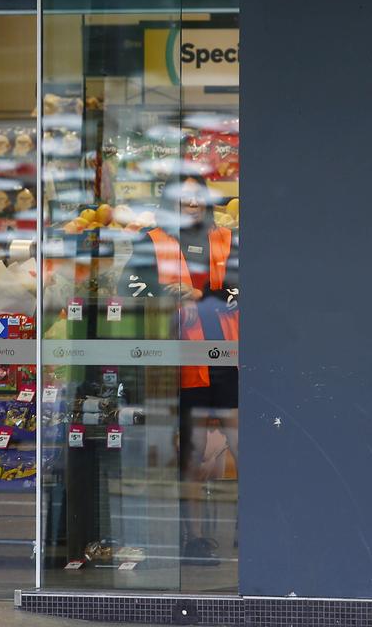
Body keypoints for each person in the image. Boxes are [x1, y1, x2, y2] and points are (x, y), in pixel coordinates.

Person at [118, 173, 239, 565]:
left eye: (197, 196)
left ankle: (251, 527)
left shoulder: (227, 238)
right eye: (184, 197)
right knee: (193, 449)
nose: (192, 203)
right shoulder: (151, 240)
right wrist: (164, 293)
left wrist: (204, 294)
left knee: (242, 442)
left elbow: (246, 286)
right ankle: (195, 539)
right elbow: (130, 286)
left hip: (226, 357)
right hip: (181, 360)